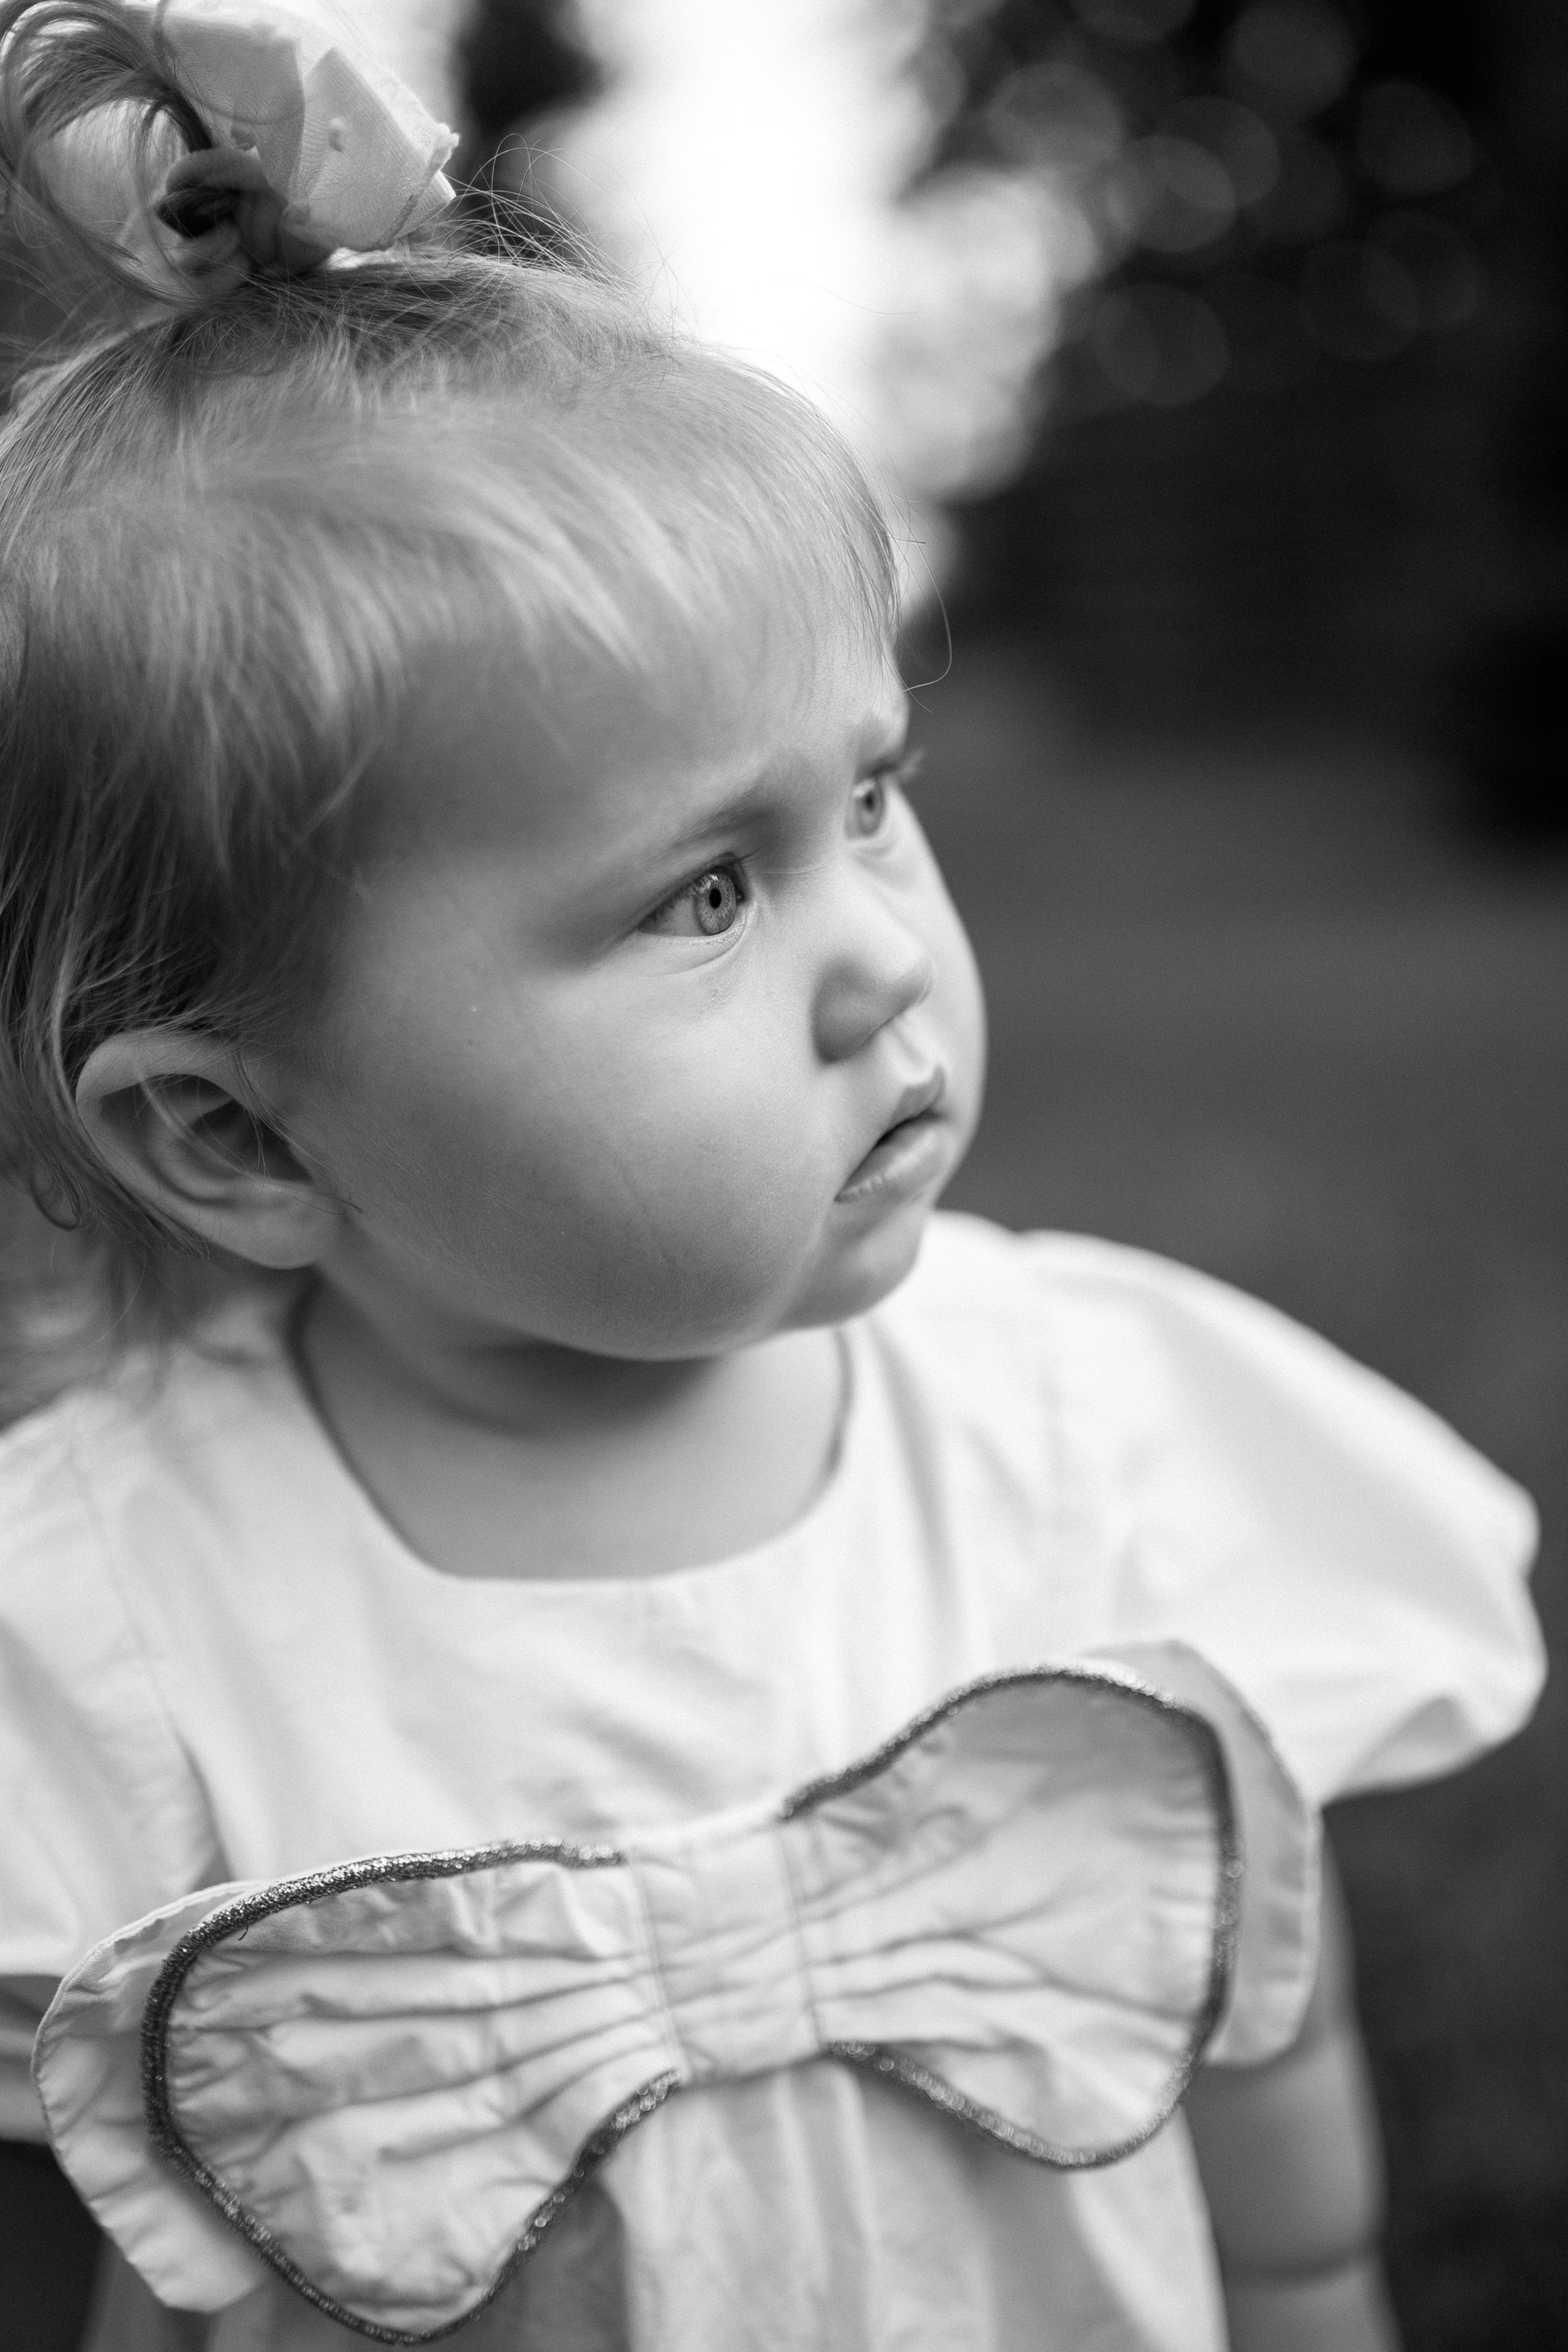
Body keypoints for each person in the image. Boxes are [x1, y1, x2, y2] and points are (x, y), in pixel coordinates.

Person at [0, 6, 1544, 2350]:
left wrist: (1320, 2301)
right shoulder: (108, 1630)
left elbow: (1251, 2021)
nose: (880, 963)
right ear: (235, 1131)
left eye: (872, 803)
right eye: (703, 896)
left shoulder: (1095, 1436)